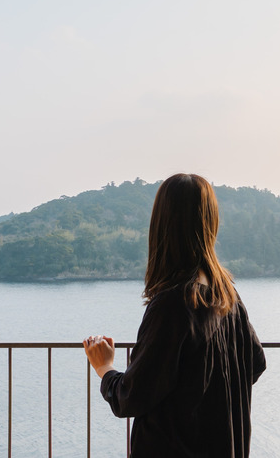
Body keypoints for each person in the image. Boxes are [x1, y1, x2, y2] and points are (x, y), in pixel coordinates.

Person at [83, 173, 267, 457]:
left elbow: (131, 397)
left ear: (161, 226)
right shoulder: (228, 296)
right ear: (210, 223)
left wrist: (104, 368)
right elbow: (255, 363)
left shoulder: (173, 304)